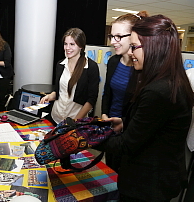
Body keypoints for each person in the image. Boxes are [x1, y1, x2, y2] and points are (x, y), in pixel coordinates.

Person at [97, 15, 194, 201]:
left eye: (134, 47)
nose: (131, 52)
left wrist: (85, 138)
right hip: (159, 179)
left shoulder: (157, 90)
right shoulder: (172, 81)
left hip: (147, 185)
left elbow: (127, 144)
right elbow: (156, 125)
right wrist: (124, 122)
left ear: (153, 47)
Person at [101, 11, 149, 172]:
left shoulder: (143, 69)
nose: (114, 42)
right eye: (112, 36)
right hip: (110, 128)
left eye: (119, 36)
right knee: (109, 172)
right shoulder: (113, 61)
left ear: (134, 36)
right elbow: (107, 93)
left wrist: (122, 122)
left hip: (129, 133)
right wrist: (104, 116)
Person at [40, 28, 99, 125]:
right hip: (55, 118)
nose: (67, 48)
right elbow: (59, 90)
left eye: (72, 44)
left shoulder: (91, 67)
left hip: (75, 121)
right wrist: (50, 96)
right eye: (65, 44)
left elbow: (91, 99)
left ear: (81, 46)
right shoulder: (60, 64)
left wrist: (75, 121)